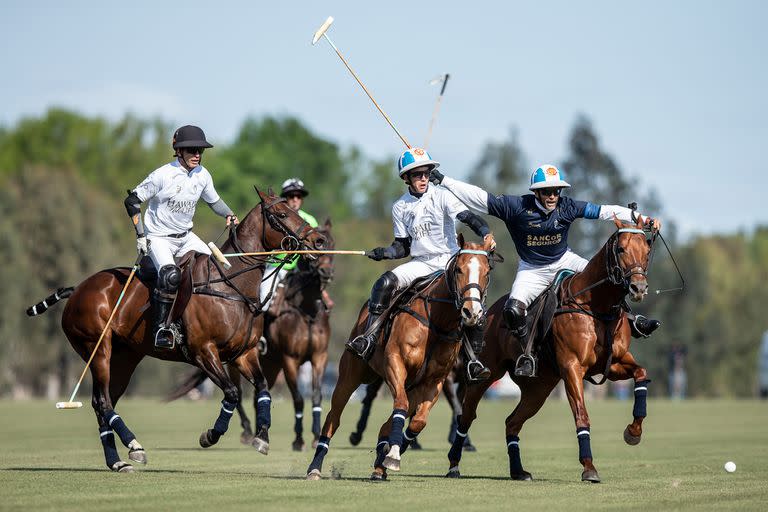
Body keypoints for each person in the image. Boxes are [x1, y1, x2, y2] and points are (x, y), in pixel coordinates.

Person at [431, 164, 662, 377]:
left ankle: (633, 319)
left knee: (608, 280)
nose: (553, 196)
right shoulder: (516, 207)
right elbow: (480, 198)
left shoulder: (567, 206)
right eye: (547, 191)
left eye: (556, 191)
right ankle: (526, 354)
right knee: (512, 309)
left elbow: (603, 211)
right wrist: (444, 181)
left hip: (565, 260)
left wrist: (640, 218)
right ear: (537, 192)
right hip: (532, 269)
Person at [346, 148, 494, 382]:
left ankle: (473, 360)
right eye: (417, 175)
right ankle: (369, 337)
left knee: (471, 298)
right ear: (406, 178)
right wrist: (385, 252)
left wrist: (484, 232)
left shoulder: (443, 196)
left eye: (426, 173)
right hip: (421, 263)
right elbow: (402, 246)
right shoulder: (400, 207)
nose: (423, 178)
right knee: (384, 282)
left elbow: (468, 218)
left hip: (449, 261)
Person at [124, 125, 238, 349]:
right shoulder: (162, 175)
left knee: (220, 268)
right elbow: (132, 201)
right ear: (179, 151)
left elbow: (214, 202)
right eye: (192, 149)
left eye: (200, 150)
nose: (197, 154)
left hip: (186, 237)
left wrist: (229, 213)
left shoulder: (202, 175)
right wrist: (140, 235)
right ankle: (161, 329)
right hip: (159, 237)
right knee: (170, 276)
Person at [259, 178, 334, 339]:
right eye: (291, 195)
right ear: (285, 197)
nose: (295, 199)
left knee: (320, 302)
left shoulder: (311, 220)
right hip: (278, 266)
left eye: (298, 196)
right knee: (263, 300)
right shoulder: (279, 217)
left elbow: (317, 250)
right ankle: (260, 337)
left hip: (301, 269)